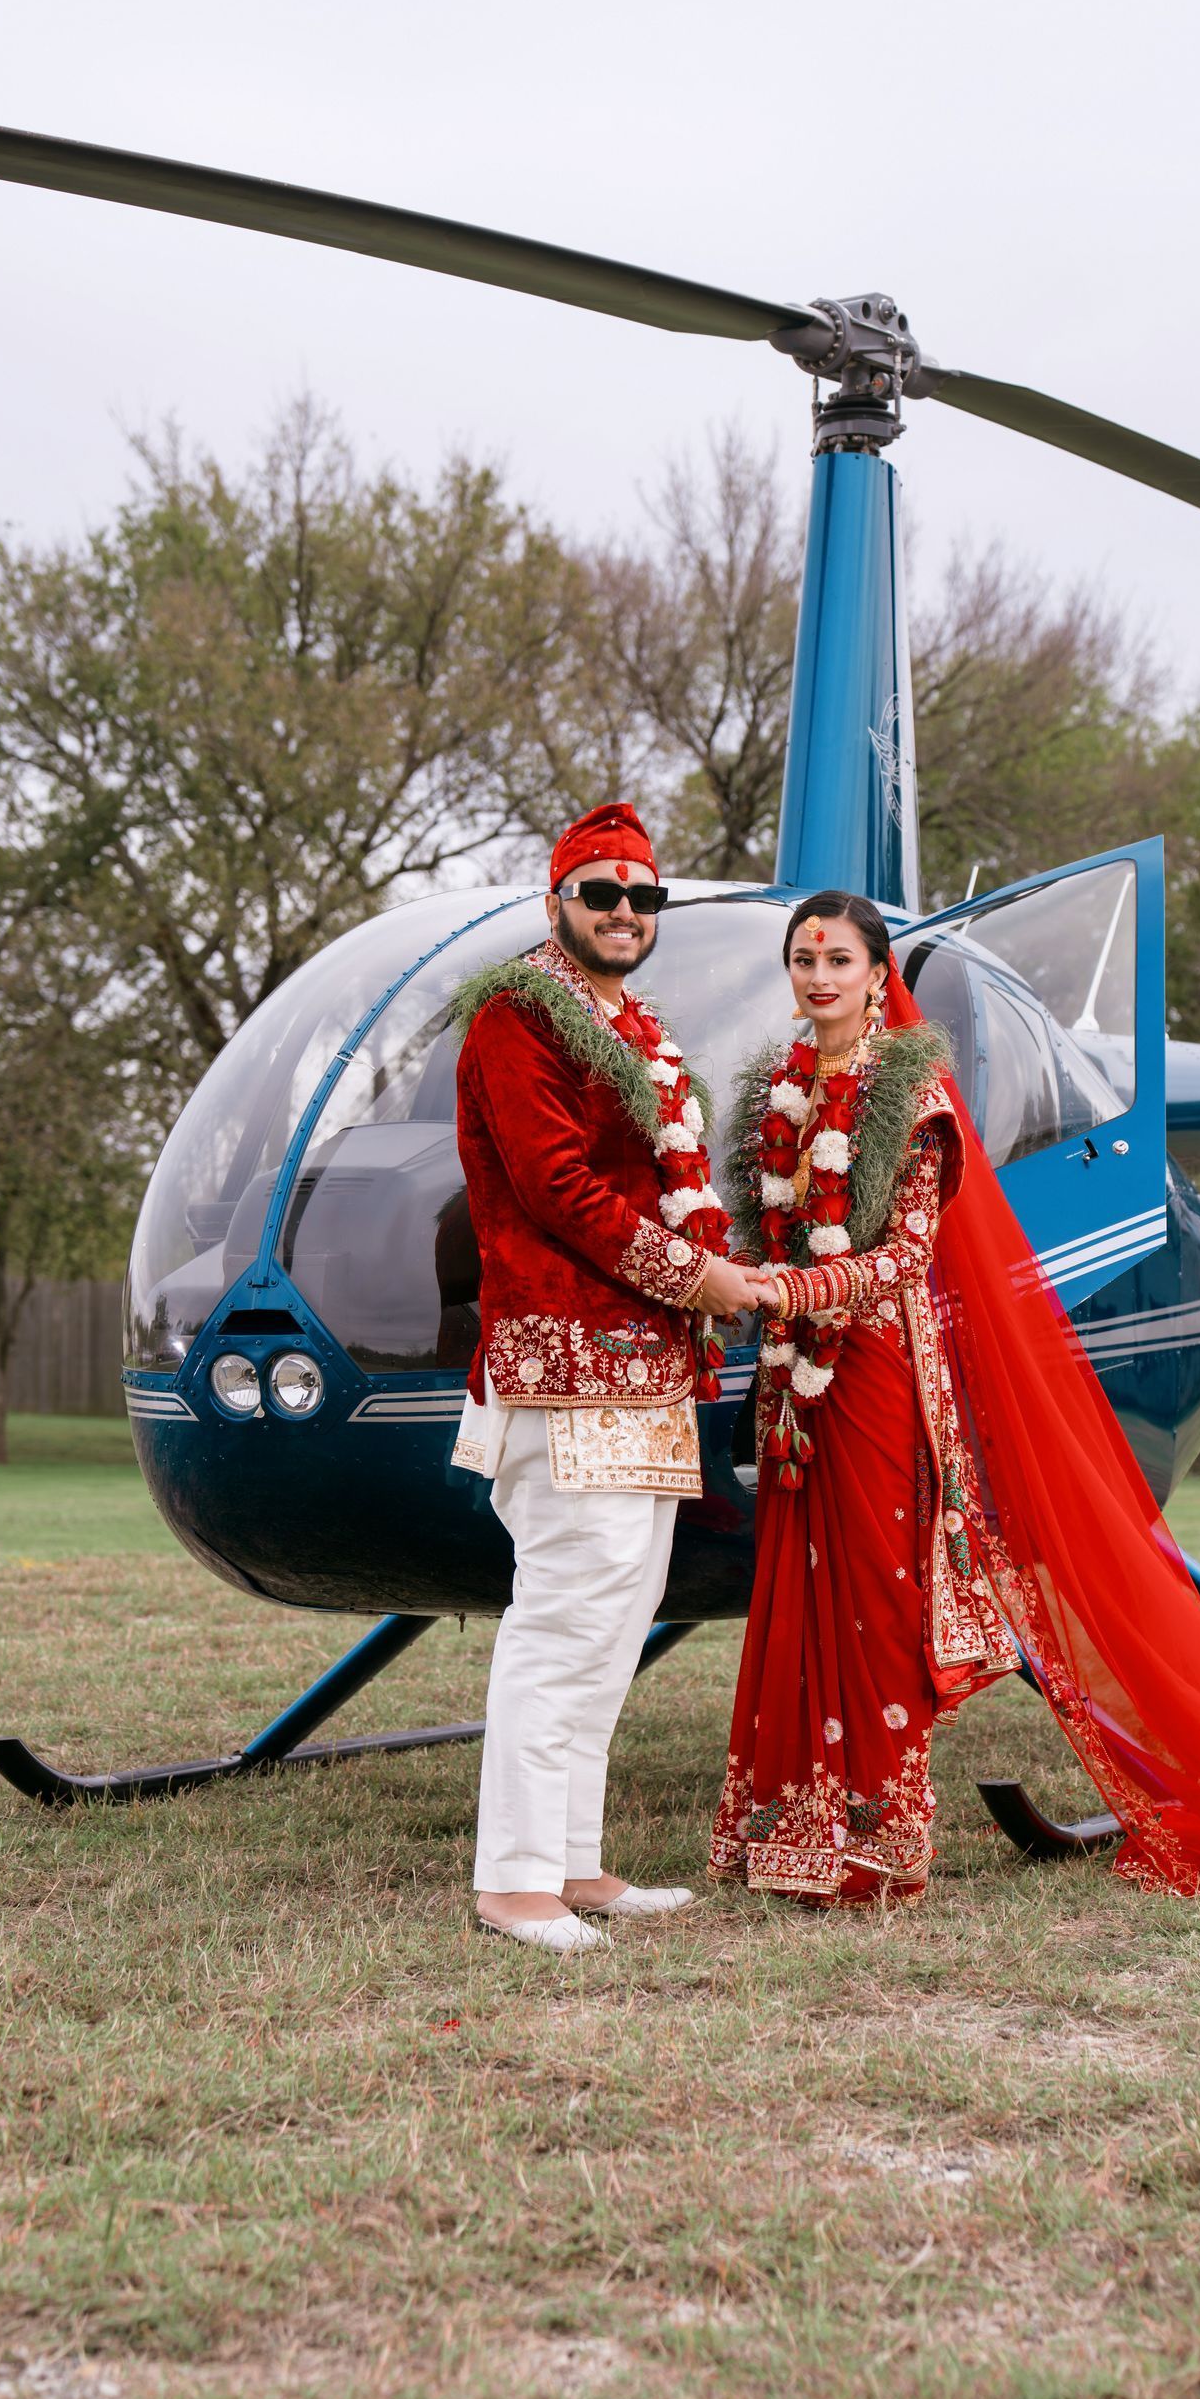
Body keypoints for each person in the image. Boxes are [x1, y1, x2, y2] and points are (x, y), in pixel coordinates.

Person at [711, 892, 1200, 1905]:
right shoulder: (779, 1096)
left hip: (879, 1370)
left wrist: (790, 1289)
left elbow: (907, 1257)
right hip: (795, 1377)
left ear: (878, 974)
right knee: (804, 1582)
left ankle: (886, 1839)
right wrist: (743, 1287)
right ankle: (798, 1825)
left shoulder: (913, 1095)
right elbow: (768, 1228)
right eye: (803, 959)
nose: (819, 977)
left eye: (839, 958)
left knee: (877, 1597)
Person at [452, 803, 775, 1953]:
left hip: (646, 1369)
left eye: (646, 898)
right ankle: (514, 1885)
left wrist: (706, 1279)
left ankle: (574, 1865)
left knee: (617, 1610)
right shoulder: (517, 1017)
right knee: (567, 1609)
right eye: (604, 895)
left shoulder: (633, 1025)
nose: (627, 913)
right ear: (557, 905)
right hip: (563, 1363)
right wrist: (703, 1277)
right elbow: (556, 1190)